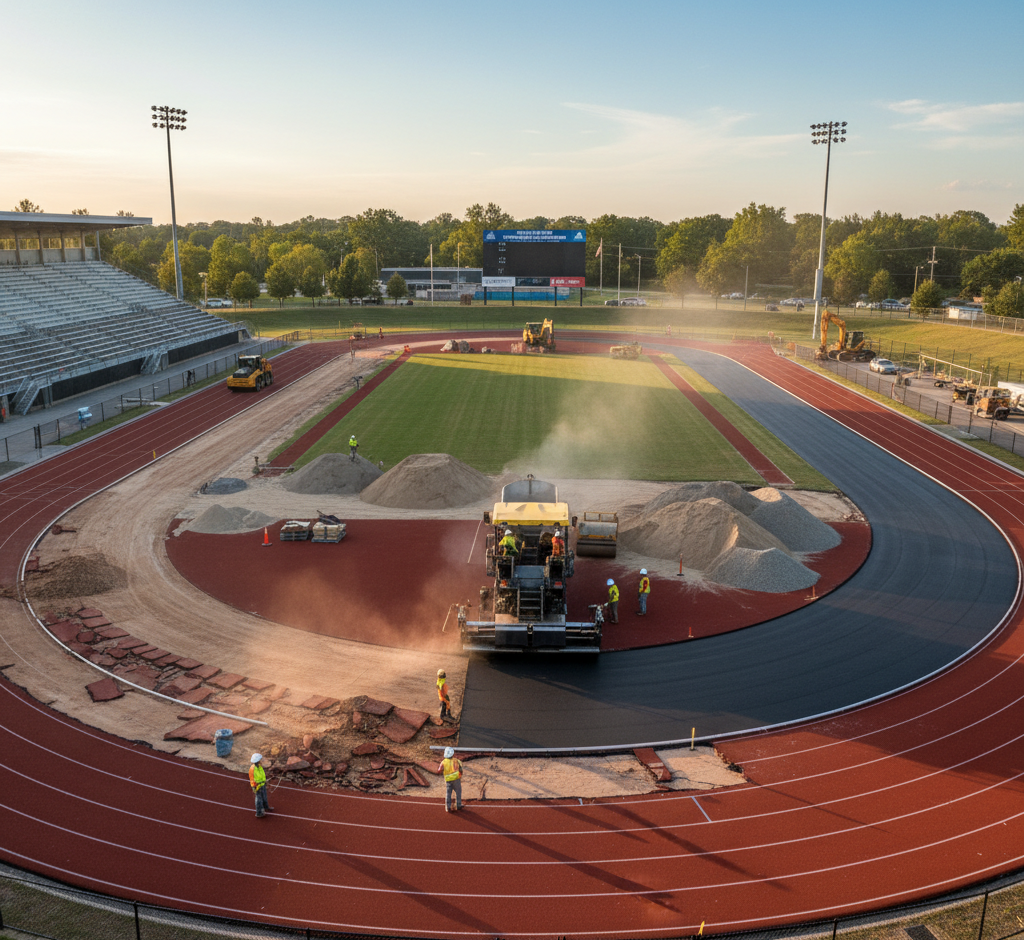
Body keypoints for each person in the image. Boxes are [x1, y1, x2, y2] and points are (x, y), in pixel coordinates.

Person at [438, 746, 463, 813]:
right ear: (452, 754)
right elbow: (460, 769)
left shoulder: (443, 762)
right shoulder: (457, 761)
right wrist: (460, 775)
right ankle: (458, 805)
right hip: (456, 779)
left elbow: (439, 770)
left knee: (448, 793)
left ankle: (447, 807)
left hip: (448, 780)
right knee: (458, 793)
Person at [249, 753, 273, 818]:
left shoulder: (259, 766)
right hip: (257, 786)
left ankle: (266, 807)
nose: (261, 760)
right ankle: (259, 812)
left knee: (264, 796)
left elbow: (262, 775)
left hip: (262, 784)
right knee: (258, 799)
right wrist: (262, 781)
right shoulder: (252, 769)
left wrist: (265, 781)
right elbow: (255, 779)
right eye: (260, 759)